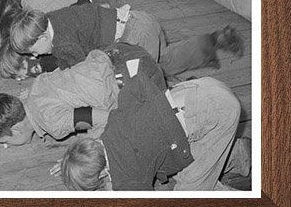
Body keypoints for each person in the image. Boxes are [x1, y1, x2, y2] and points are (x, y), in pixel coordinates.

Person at [55, 51, 246, 191]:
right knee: (186, 167)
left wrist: (112, 189)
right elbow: (139, 82)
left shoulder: (127, 178)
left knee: (190, 191)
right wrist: (161, 109)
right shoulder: (112, 126)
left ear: (103, 175)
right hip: (198, 87)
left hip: (217, 112)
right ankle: (242, 154)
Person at [8, 1, 245, 78]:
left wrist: (49, 81)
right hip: (141, 21)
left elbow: (82, 73)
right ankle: (214, 40)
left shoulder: (62, 42)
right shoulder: (53, 19)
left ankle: (183, 98)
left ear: (41, 35)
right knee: (166, 62)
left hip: (135, 36)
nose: (35, 55)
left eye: (33, 49)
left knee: (142, 84)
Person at [0, 49, 121, 145]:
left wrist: (82, 151)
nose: (8, 145)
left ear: (16, 130)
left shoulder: (52, 122)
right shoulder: (36, 86)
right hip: (111, 56)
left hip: (124, 82)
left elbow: (108, 118)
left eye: (6, 142)